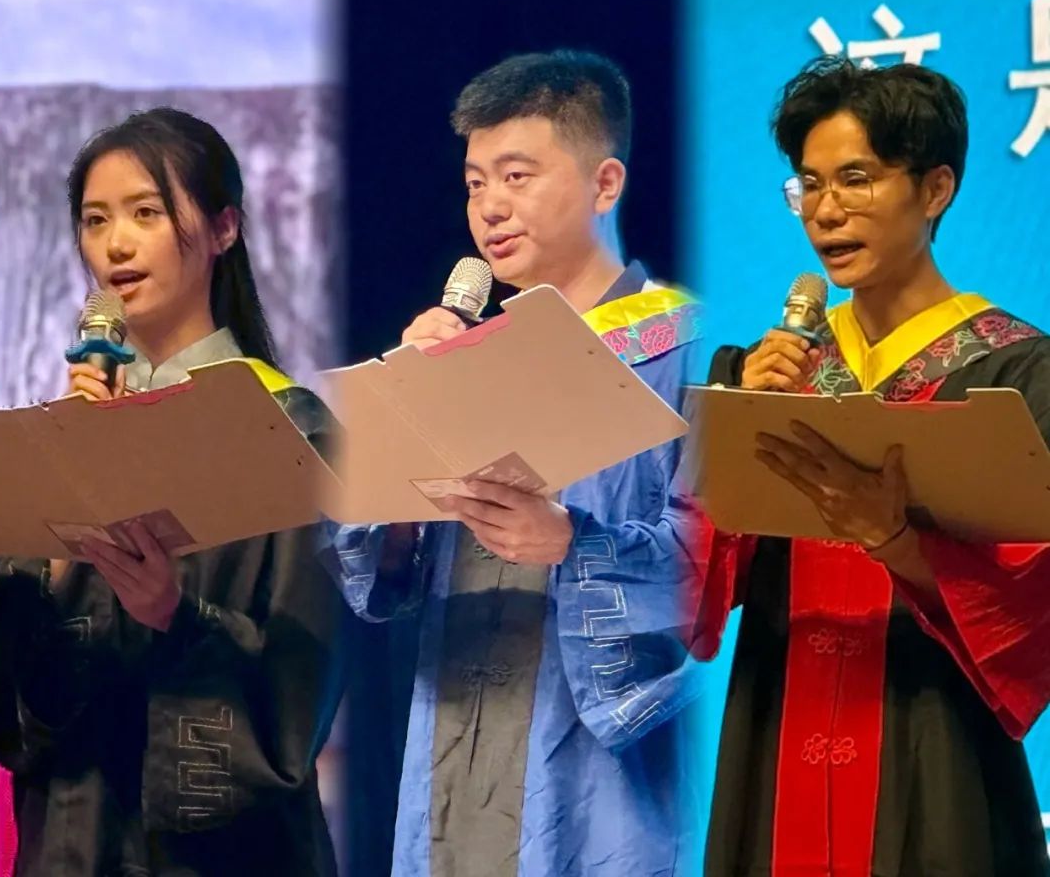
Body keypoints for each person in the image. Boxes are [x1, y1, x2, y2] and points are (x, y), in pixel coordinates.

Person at [325, 50, 700, 876]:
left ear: (605, 184)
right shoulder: (467, 357)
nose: (489, 206)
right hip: (456, 724)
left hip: (596, 763)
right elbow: (381, 576)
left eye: (517, 177)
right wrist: (400, 440)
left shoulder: (686, 349)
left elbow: (713, 562)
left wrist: (571, 540)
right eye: (474, 184)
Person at [693, 57, 1050, 876]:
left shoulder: (1015, 375)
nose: (826, 212)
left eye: (856, 179)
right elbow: (689, 589)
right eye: (810, 186)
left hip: (933, 743)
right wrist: (736, 430)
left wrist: (896, 543)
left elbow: (1036, 600)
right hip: (775, 732)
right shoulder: (761, 374)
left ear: (935, 189)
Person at [0, 108, 342, 876]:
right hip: (71, 839)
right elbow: (1, 691)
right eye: (95, 220)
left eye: (146, 213)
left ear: (224, 228)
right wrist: (55, 557)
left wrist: (176, 616)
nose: (116, 244)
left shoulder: (288, 430)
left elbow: (302, 683)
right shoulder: (57, 439)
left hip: (223, 855)